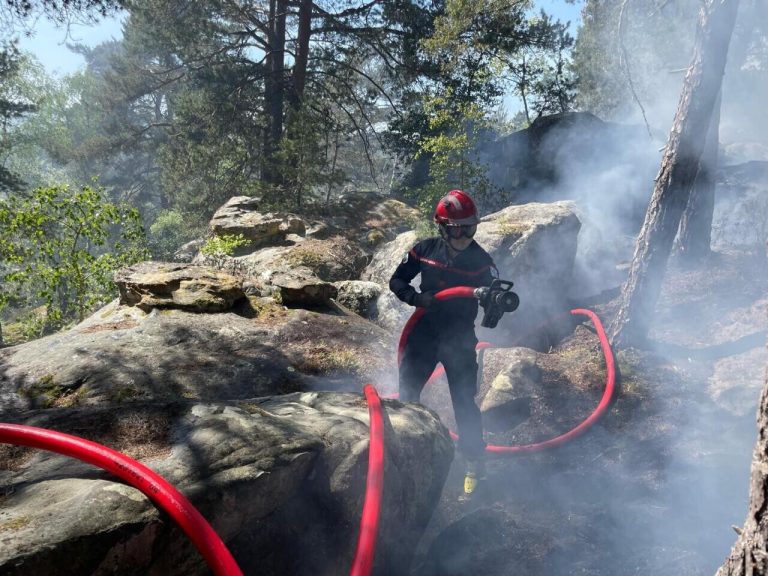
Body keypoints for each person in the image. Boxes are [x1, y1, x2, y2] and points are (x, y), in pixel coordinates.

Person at [389, 189, 499, 500]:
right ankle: (408, 457)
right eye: (457, 228)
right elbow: (397, 280)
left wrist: (494, 304)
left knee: (464, 404)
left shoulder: (482, 262)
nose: (464, 235)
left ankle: (474, 467)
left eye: (469, 227)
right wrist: (415, 298)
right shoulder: (423, 250)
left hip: (460, 340)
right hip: (423, 334)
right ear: (442, 227)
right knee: (407, 397)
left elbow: (495, 296)